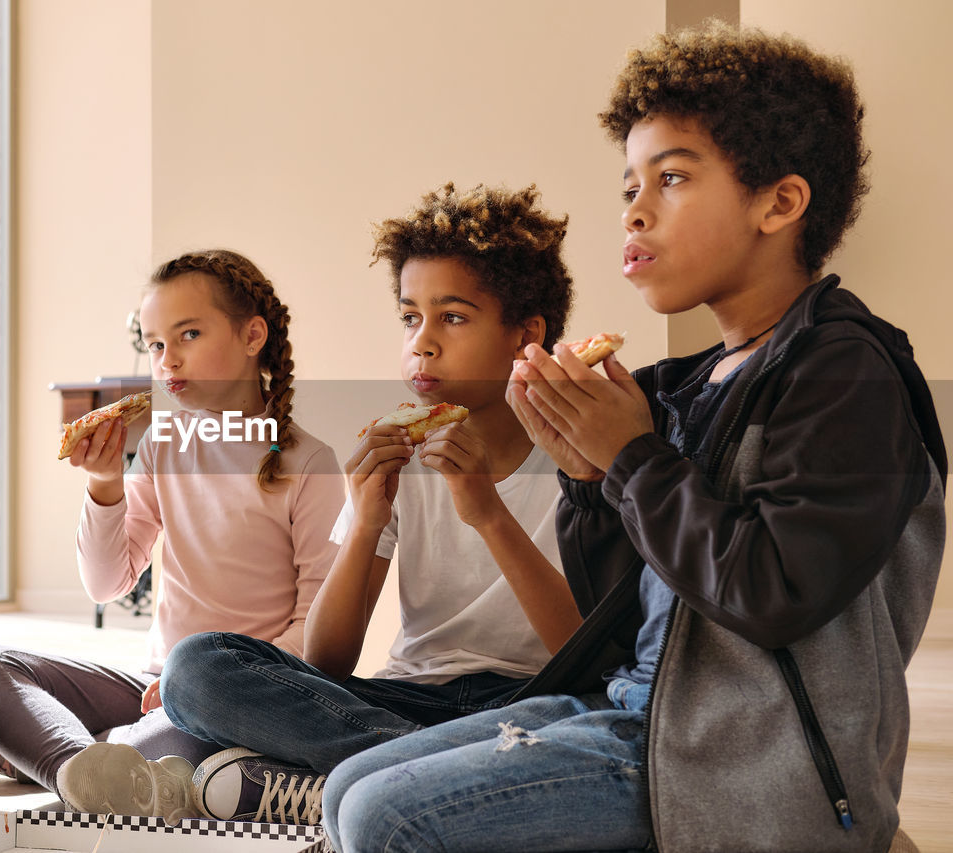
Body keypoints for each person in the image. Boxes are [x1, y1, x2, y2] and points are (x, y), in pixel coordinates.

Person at [320, 22, 946, 853]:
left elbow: (774, 593)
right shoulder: (682, 384)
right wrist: (588, 479)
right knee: (346, 788)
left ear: (779, 203)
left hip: (750, 760)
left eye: (673, 178)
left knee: (384, 815)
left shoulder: (845, 372)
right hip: (641, 707)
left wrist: (631, 458)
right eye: (629, 187)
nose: (636, 211)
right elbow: (620, 623)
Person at [159, 184, 583, 826]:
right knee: (194, 668)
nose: (424, 343)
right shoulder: (401, 457)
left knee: (604, 715)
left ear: (525, 335)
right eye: (411, 318)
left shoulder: (581, 457)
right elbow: (329, 662)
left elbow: (584, 655)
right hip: (403, 703)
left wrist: (487, 513)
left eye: (454, 317)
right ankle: (429, 773)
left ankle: (337, 780)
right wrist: (364, 524)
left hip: (534, 701)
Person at [0, 249, 343, 821]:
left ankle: (45, 754)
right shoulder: (163, 446)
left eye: (188, 334)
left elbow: (316, 626)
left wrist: (206, 680)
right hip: (154, 681)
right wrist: (105, 484)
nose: (168, 360)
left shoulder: (311, 462)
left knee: (177, 749)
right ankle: (81, 762)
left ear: (252, 335)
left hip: (236, 696)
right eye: (156, 344)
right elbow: (106, 583)